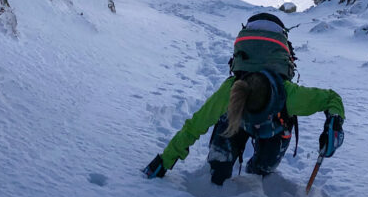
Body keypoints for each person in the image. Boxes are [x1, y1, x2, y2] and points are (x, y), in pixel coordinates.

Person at [143, 12, 345, 185]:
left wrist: (334, 123)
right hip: (246, 121)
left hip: (273, 128)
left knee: (262, 171)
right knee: (218, 169)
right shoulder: (231, 91)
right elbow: (194, 127)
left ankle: (256, 167)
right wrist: (165, 160)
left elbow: (332, 99)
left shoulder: (289, 95)